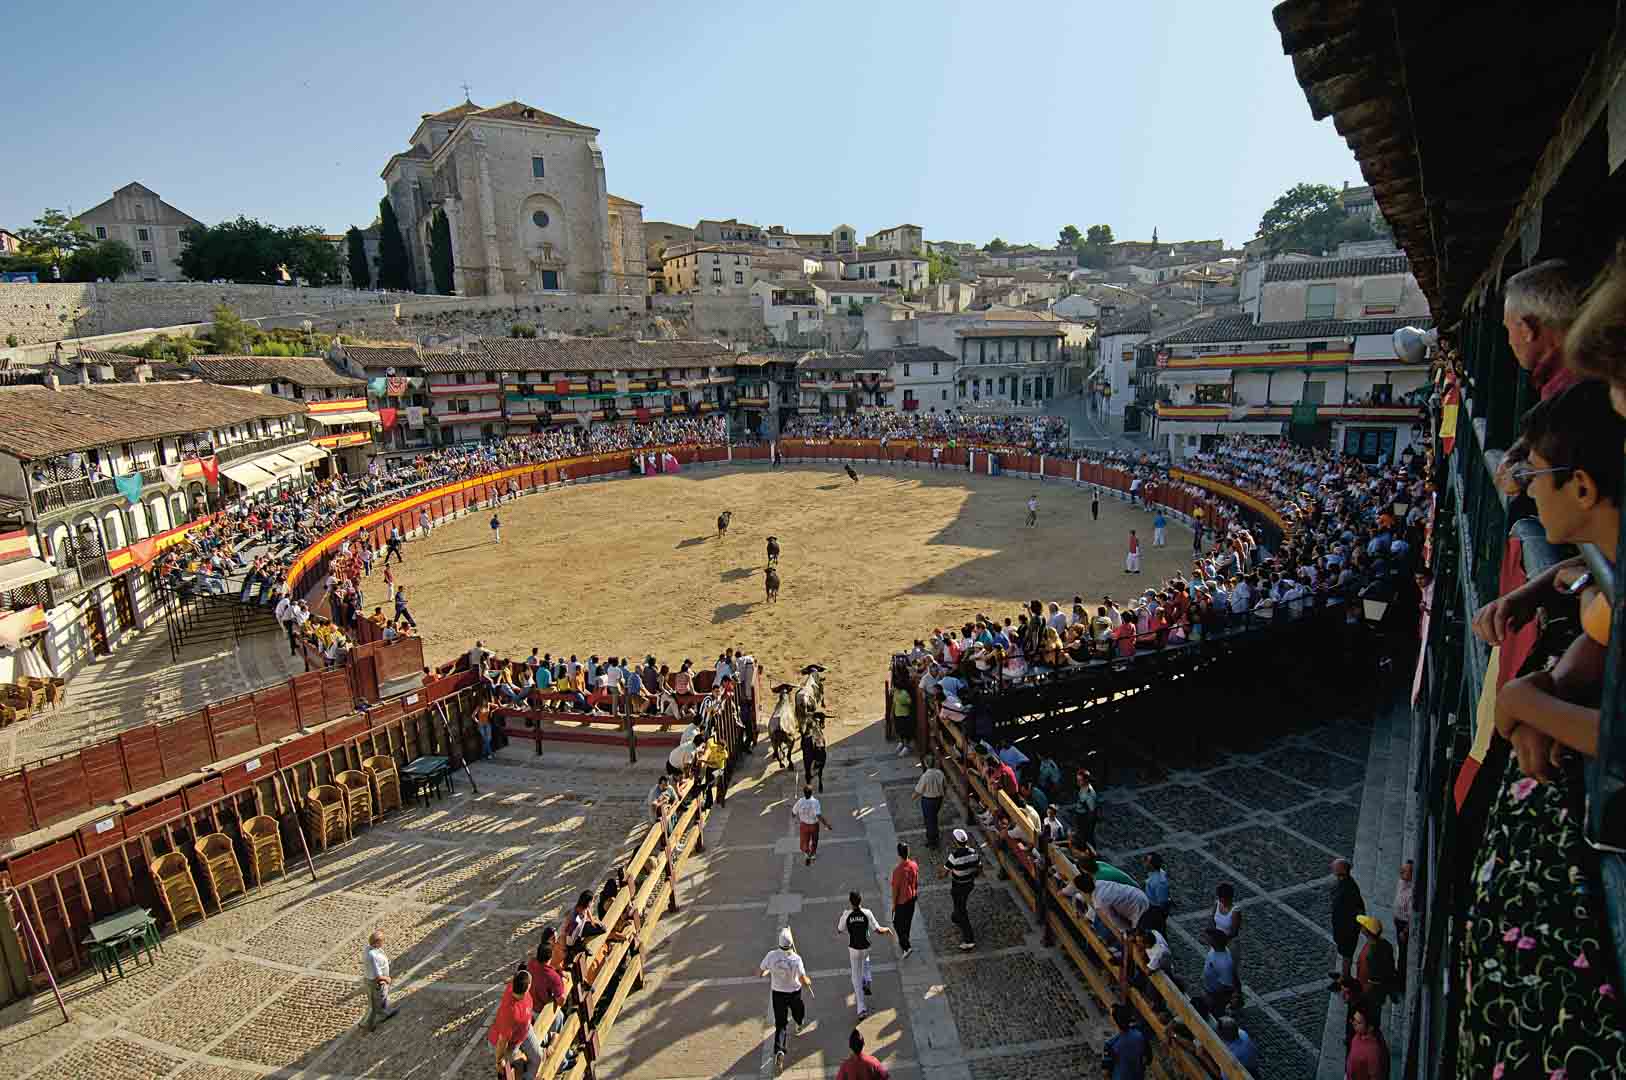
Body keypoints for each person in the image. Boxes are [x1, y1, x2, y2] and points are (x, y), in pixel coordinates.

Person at [760, 926, 814, 1073]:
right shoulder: (796, 959)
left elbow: (761, 971)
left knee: (781, 1024)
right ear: (791, 944)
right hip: (794, 993)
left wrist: (767, 971)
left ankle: (779, 1050)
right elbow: (803, 979)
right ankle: (799, 1023)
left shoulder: (771, 956)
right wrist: (808, 981)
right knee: (799, 1012)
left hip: (777, 994)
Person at [836, 890, 892, 1019]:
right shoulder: (867, 913)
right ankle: (867, 979)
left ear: (850, 902)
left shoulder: (846, 914)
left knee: (855, 976)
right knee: (865, 958)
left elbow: (839, 929)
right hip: (866, 947)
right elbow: (878, 930)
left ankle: (861, 1008)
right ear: (861, 901)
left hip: (853, 949)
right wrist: (887, 929)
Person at [488, 967, 540, 1080]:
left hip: (525, 1032)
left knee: (537, 1057)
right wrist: (499, 1061)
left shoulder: (513, 986)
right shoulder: (510, 1013)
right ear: (526, 989)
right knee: (519, 1066)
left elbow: (519, 975)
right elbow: (502, 1041)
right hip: (510, 1045)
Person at [941, 828, 981, 951]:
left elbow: (943, 873)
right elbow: (979, 867)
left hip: (958, 885)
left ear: (955, 841)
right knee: (960, 905)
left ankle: (969, 940)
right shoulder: (974, 852)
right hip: (969, 884)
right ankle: (956, 917)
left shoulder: (954, 856)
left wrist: (943, 871)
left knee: (961, 910)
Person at [1330, 858, 1365, 981]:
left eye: (1335, 867)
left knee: (1347, 954)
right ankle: (1343, 973)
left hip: (1347, 929)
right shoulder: (1344, 883)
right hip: (1342, 927)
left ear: (1342, 871)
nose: (1332, 868)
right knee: (1344, 952)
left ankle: (1345, 978)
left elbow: (1357, 908)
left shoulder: (1348, 888)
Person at [1101, 1002, 1150, 1080]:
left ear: (1114, 1021)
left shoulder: (1111, 1044)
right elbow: (1148, 1058)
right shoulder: (1140, 1035)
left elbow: (1105, 1073)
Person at [363, 929, 398, 1030]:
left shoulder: (371, 949)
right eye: (382, 941)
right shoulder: (372, 956)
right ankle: (367, 1024)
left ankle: (385, 1013)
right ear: (377, 942)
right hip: (376, 983)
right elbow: (377, 975)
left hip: (374, 981)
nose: (383, 942)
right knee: (374, 1006)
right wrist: (387, 979)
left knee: (383, 999)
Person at [1345, 1003, 1389, 1080]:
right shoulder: (1358, 1035)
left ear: (1370, 1027)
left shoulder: (1373, 1052)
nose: (1354, 1023)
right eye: (1354, 1019)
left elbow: (1375, 1077)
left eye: (1359, 1022)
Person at [891, 842, 919, 958]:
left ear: (898, 854)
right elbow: (916, 881)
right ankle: (905, 940)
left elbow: (895, 889)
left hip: (902, 902)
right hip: (912, 898)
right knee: (907, 922)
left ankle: (906, 947)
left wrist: (893, 904)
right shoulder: (914, 865)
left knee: (897, 923)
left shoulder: (898, 871)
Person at [792, 785, 832, 866]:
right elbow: (818, 815)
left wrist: (795, 818)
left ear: (804, 793)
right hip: (814, 825)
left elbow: (793, 813)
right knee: (814, 840)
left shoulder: (800, 802)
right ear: (811, 793)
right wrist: (826, 824)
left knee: (804, 841)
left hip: (804, 825)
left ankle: (807, 853)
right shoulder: (815, 802)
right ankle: (813, 854)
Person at [913, 755, 946, 848]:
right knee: (933, 818)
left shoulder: (925, 776)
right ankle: (935, 837)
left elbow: (918, 790)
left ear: (926, 764)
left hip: (928, 801)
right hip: (938, 799)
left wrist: (913, 797)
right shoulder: (940, 773)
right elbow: (944, 786)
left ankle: (932, 841)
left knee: (929, 821)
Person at [1392, 860, 1413, 986]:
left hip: (1403, 925)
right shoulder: (1402, 882)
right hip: (1398, 920)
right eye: (1402, 869)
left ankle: (1400, 980)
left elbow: (1411, 917)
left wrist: (1404, 932)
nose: (1401, 872)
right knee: (1400, 948)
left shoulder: (1411, 894)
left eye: (1404, 871)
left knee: (1403, 952)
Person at [1143, 853, 1170, 932]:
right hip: (1151, 907)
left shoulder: (1159, 882)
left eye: (1146, 861)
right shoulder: (1155, 874)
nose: (1143, 862)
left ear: (1151, 865)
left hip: (1155, 910)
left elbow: (1162, 901)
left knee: (1156, 931)